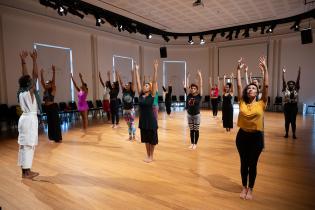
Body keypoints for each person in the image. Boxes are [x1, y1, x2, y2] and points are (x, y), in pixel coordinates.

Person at [236, 56, 269, 200]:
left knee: (252, 164)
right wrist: (238, 70)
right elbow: (238, 85)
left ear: (257, 92)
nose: (251, 89)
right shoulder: (242, 102)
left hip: (256, 138)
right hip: (242, 136)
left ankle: (251, 189)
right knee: (244, 163)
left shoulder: (262, 103)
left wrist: (266, 69)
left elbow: (266, 86)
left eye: (254, 88)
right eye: (249, 87)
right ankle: (244, 187)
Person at [17, 50, 40, 179]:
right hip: (29, 120)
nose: (33, 82)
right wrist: (35, 60)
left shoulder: (21, 91)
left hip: (23, 119)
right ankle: (27, 172)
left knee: (23, 145)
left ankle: (24, 171)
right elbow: (34, 75)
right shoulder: (29, 92)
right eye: (31, 82)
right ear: (29, 85)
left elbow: (26, 76)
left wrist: (23, 61)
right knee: (29, 146)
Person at [135, 60, 159, 163]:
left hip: (151, 120)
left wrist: (155, 70)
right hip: (143, 120)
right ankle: (148, 155)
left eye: (147, 85)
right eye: (144, 85)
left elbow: (154, 82)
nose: (145, 86)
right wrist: (136, 71)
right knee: (145, 139)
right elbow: (137, 83)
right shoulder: (141, 95)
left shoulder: (152, 95)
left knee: (152, 139)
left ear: (150, 88)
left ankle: (151, 156)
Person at [40, 65, 62, 142]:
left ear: (51, 84)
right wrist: (41, 74)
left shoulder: (53, 89)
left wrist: (54, 71)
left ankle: (57, 138)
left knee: (55, 123)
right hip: (47, 108)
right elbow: (42, 82)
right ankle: (52, 137)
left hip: (53, 107)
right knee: (50, 123)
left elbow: (53, 81)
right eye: (46, 83)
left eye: (48, 83)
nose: (46, 84)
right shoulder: (46, 90)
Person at [184, 70, 203, 150]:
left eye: (194, 88)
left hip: (196, 115)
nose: (192, 89)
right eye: (192, 88)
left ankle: (195, 144)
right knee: (191, 130)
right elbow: (187, 86)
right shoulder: (189, 95)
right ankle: (192, 143)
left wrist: (200, 76)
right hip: (189, 115)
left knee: (196, 130)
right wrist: (187, 78)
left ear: (197, 89)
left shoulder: (199, 96)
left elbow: (201, 86)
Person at [117, 68, 136, 140]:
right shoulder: (124, 91)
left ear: (130, 86)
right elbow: (121, 83)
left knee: (132, 123)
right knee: (128, 124)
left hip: (131, 110)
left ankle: (133, 135)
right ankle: (130, 135)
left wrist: (133, 74)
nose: (126, 85)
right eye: (126, 84)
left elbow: (133, 83)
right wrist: (119, 76)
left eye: (127, 84)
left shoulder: (132, 92)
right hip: (125, 110)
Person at [282, 66, 301, 139]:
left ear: (294, 85)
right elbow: (283, 81)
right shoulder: (285, 89)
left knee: (293, 121)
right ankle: (286, 133)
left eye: (292, 84)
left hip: (294, 107)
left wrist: (299, 73)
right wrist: (283, 73)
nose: (291, 85)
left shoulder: (296, 89)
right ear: (287, 85)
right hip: (287, 106)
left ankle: (294, 134)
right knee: (287, 121)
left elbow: (298, 81)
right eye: (289, 84)